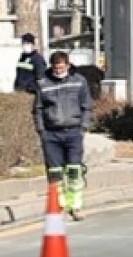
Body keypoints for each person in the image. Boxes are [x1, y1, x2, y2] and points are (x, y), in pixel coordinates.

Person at [32, 51, 93, 220]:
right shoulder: (43, 83)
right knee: (55, 174)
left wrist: (83, 127)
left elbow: (86, 106)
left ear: (67, 65)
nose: (58, 70)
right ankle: (59, 206)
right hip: (51, 135)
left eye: (61, 66)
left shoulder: (79, 81)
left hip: (74, 132)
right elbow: (38, 109)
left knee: (74, 171)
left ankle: (75, 206)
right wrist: (41, 131)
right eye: (55, 67)